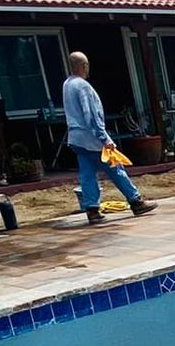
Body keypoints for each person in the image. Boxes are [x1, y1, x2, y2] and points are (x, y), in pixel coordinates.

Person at [62, 52, 156, 225]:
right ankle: (135, 201)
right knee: (115, 167)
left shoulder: (67, 84)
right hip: (91, 138)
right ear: (84, 66)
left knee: (87, 174)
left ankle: (91, 209)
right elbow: (91, 115)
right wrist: (104, 138)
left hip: (76, 138)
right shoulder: (83, 86)